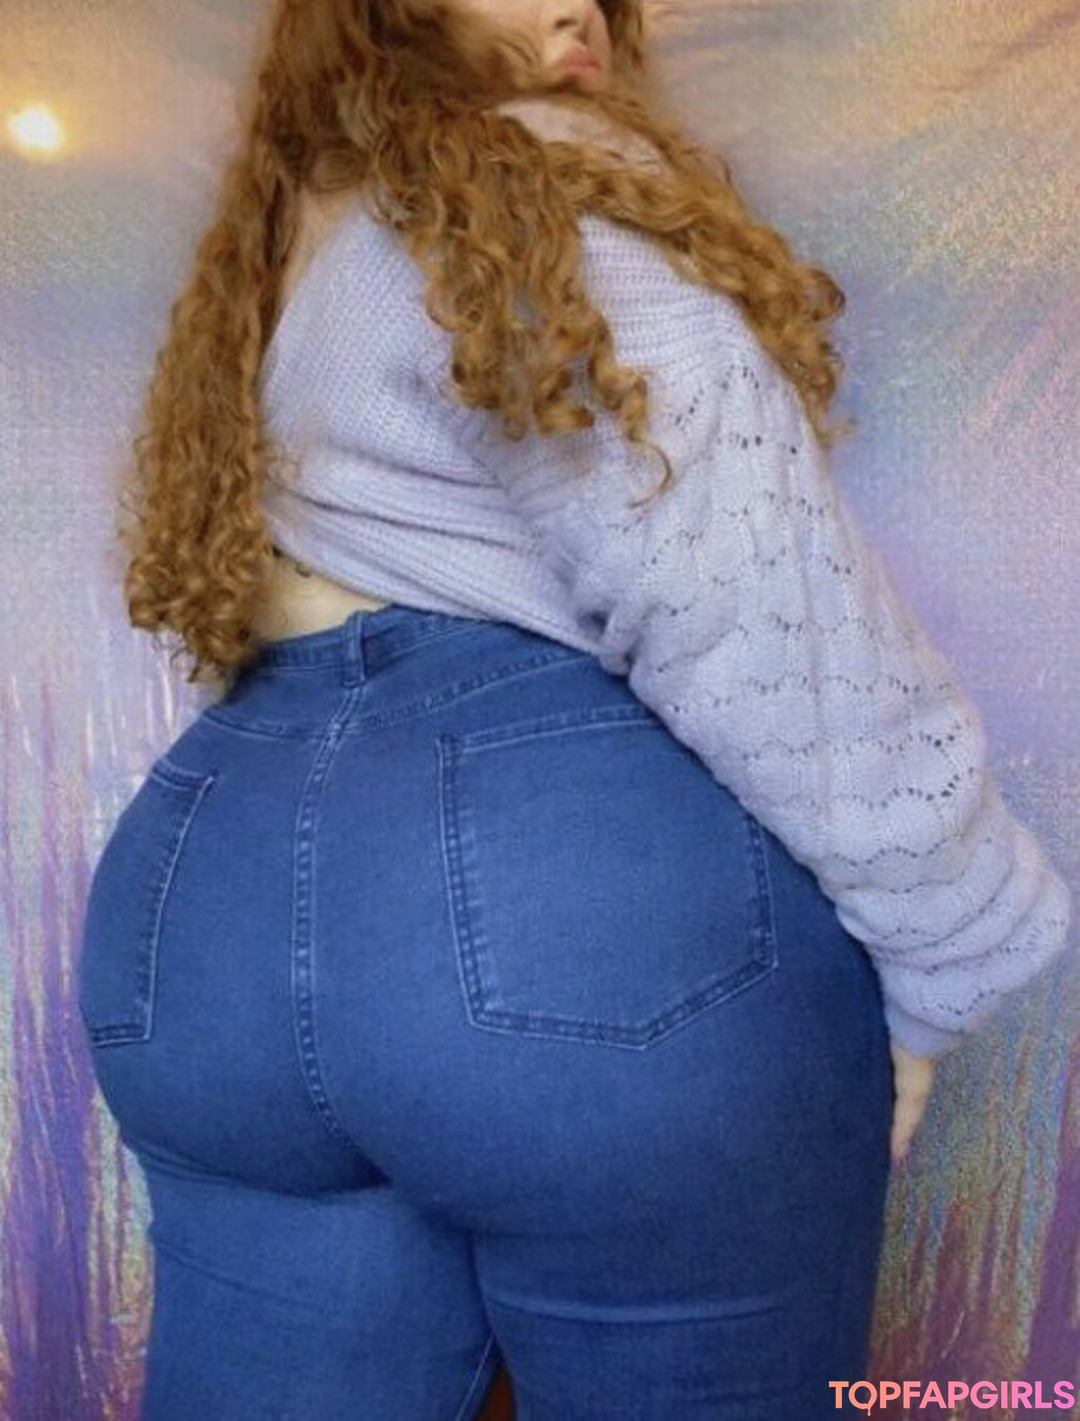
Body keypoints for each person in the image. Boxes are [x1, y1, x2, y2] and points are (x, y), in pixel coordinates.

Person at [77, 0, 1073, 1416]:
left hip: (200, 918)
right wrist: (951, 946)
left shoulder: (291, 253)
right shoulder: (519, 173)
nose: (574, 11)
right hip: (554, 909)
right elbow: (754, 599)